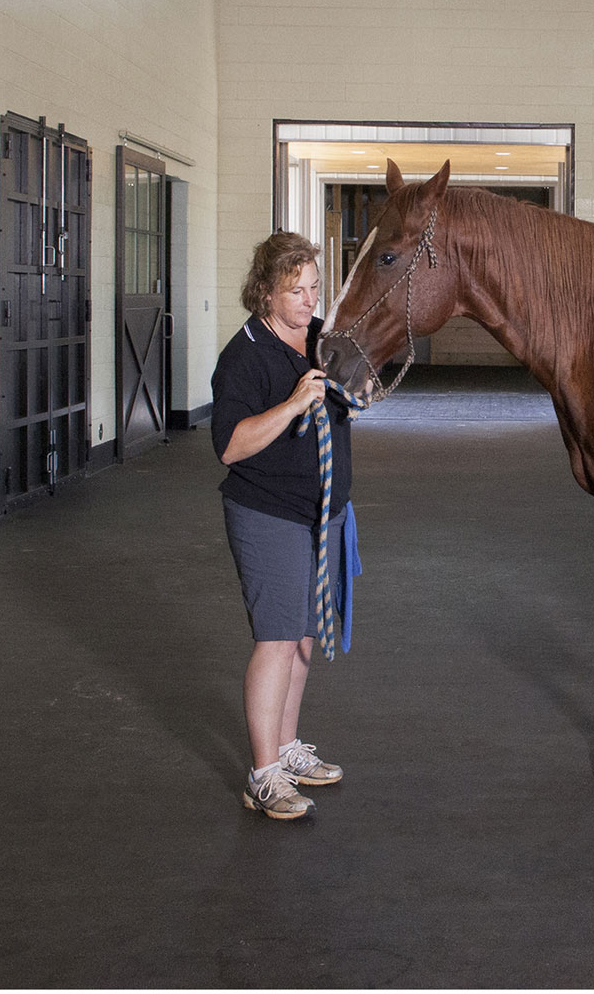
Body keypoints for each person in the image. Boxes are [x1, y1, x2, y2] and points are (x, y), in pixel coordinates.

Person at [213, 231, 352, 821]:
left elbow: (355, 394)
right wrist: (295, 405)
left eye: (314, 287)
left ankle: (289, 749)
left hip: (324, 511)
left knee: (303, 637)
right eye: (294, 290)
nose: (307, 300)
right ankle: (263, 774)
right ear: (266, 292)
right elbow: (231, 445)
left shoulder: (323, 339)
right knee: (275, 639)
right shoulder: (243, 356)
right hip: (267, 512)